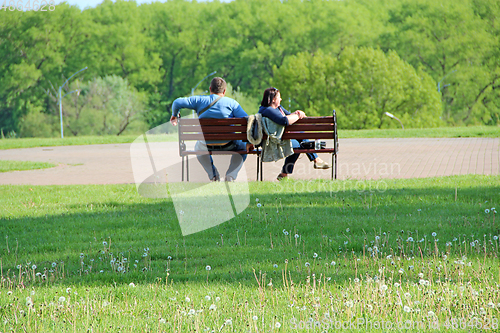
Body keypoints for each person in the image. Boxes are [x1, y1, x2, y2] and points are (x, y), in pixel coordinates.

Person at [170, 77, 253, 181]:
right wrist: (249, 142)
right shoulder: (232, 103)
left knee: (198, 148)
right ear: (224, 91)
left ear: (210, 89)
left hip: (206, 144)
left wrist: (174, 115)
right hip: (228, 144)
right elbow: (247, 121)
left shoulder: (199, 100)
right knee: (243, 147)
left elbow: (177, 102)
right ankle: (231, 175)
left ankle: (213, 175)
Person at [258, 87, 330, 180]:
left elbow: (289, 116)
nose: (281, 99)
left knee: (300, 138)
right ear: (273, 100)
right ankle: (314, 160)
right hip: (273, 142)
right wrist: (297, 115)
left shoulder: (278, 108)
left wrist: (296, 113)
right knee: (299, 145)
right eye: (279, 97)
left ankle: (285, 174)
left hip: (282, 138)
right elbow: (284, 121)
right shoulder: (267, 110)